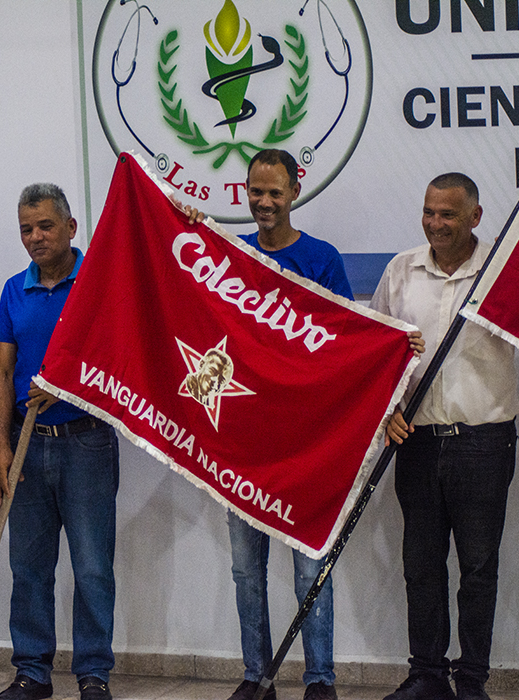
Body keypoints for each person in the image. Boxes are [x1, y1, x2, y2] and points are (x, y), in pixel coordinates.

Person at [185, 149, 353, 700]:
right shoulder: (230, 256)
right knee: (245, 572)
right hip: (243, 444)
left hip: (307, 446)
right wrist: (184, 225)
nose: (263, 202)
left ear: (294, 192)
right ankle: (256, 676)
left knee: (311, 571)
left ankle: (320, 679)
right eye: (255, 192)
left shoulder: (322, 259)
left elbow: (349, 342)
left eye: (274, 192)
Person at [371, 173, 519, 700]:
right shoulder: (401, 271)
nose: (435, 224)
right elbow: (377, 356)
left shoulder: (502, 272)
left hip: (485, 442)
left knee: (478, 569)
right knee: (421, 567)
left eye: (448, 215)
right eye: (429, 212)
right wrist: (385, 412)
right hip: (417, 441)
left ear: (475, 217)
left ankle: (472, 680)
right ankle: (426, 676)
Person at [0, 184, 119, 700]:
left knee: (91, 566)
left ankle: (93, 673)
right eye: (26, 229)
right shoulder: (12, 290)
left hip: (86, 443)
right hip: (26, 443)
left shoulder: (100, 282)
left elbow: (117, 358)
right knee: (29, 566)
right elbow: (2, 370)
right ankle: (32, 672)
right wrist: (1, 446)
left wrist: (66, 384)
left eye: (45, 226)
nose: (36, 237)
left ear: (71, 227)